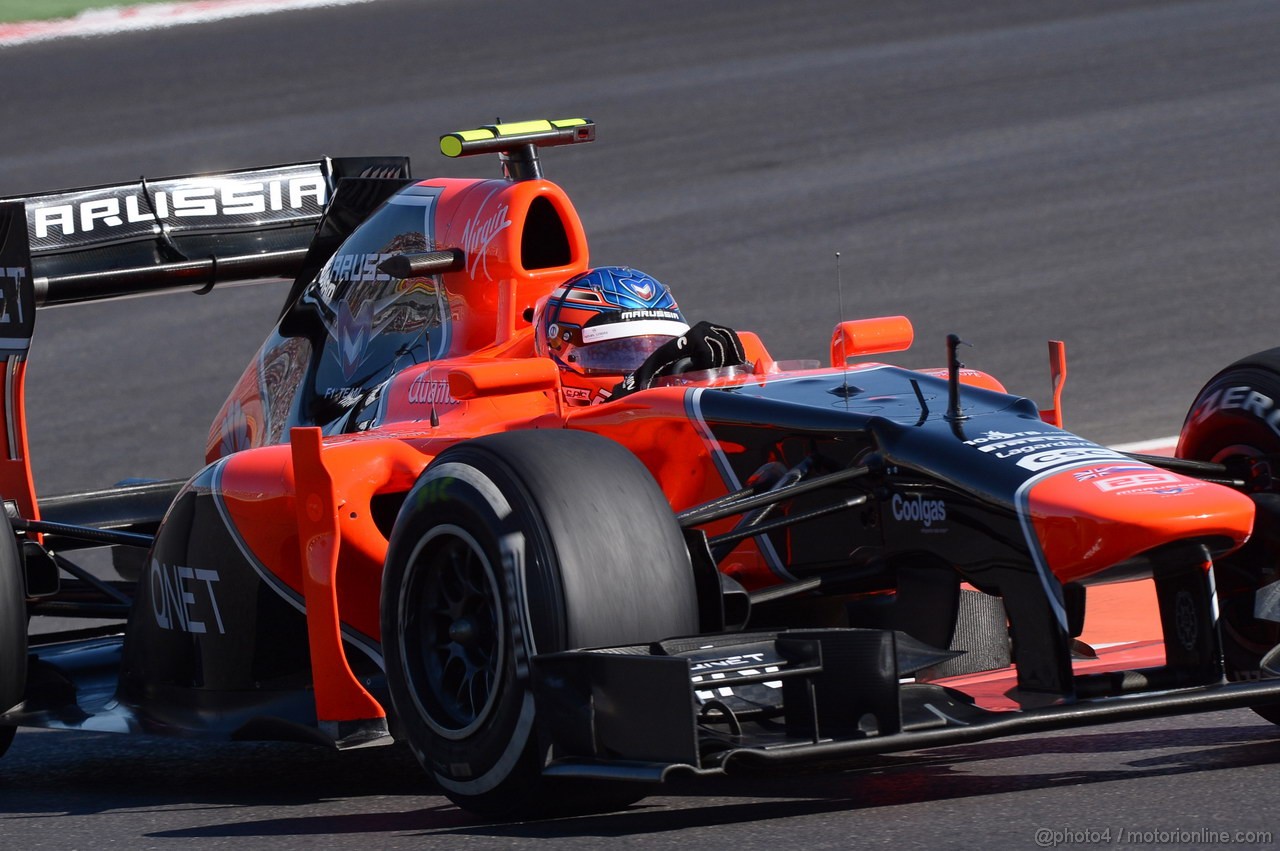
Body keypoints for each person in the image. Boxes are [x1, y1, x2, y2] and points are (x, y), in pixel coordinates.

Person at [533, 266, 746, 406]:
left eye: (661, 347)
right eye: (618, 352)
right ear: (559, 352)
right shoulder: (523, 431)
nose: (654, 364)